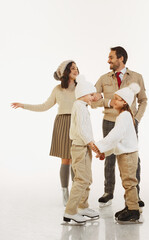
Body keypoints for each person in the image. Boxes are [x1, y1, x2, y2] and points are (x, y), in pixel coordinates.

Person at [11, 60, 79, 206]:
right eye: (72, 68)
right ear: (65, 72)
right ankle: (65, 192)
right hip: (62, 124)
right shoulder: (58, 89)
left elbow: (89, 103)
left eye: (76, 68)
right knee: (65, 160)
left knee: (76, 159)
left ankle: (76, 192)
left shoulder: (82, 87)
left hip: (77, 123)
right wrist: (24, 105)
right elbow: (44, 106)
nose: (76, 70)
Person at [92, 46, 148, 208]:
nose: (108, 60)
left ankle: (134, 194)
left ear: (121, 58)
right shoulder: (103, 78)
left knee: (132, 156)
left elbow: (143, 100)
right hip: (109, 121)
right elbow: (92, 99)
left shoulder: (137, 77)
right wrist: (109, 102)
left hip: (129, 123)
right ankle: (108, 192)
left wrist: (136, 119)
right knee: (109, 157)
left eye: (111, 57)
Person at [92, 83, 141, 223]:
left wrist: (99, 146)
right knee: (127, 181)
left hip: (128, 155)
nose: (114, 101)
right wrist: (105, 153)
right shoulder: (123, 116)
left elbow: (115, 135)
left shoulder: (124, 116)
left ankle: (133, 210)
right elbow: (118, 141)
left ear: (125, 102)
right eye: (114, 98)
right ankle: (130, 206)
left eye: (118, 99)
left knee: (129, 182)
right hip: (124, 154)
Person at [63, 75, 99, 224]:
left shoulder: (81, 106)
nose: (93, 98)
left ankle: (83, 206)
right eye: (91, 95)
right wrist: (91, 143)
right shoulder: (79, 106)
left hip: (84, 146)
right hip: (80, 147)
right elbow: (82, 129)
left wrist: (90, 145)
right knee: (81, 179)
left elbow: (85, 128)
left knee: (87, 178)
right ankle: (70, 211)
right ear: (83, 93)